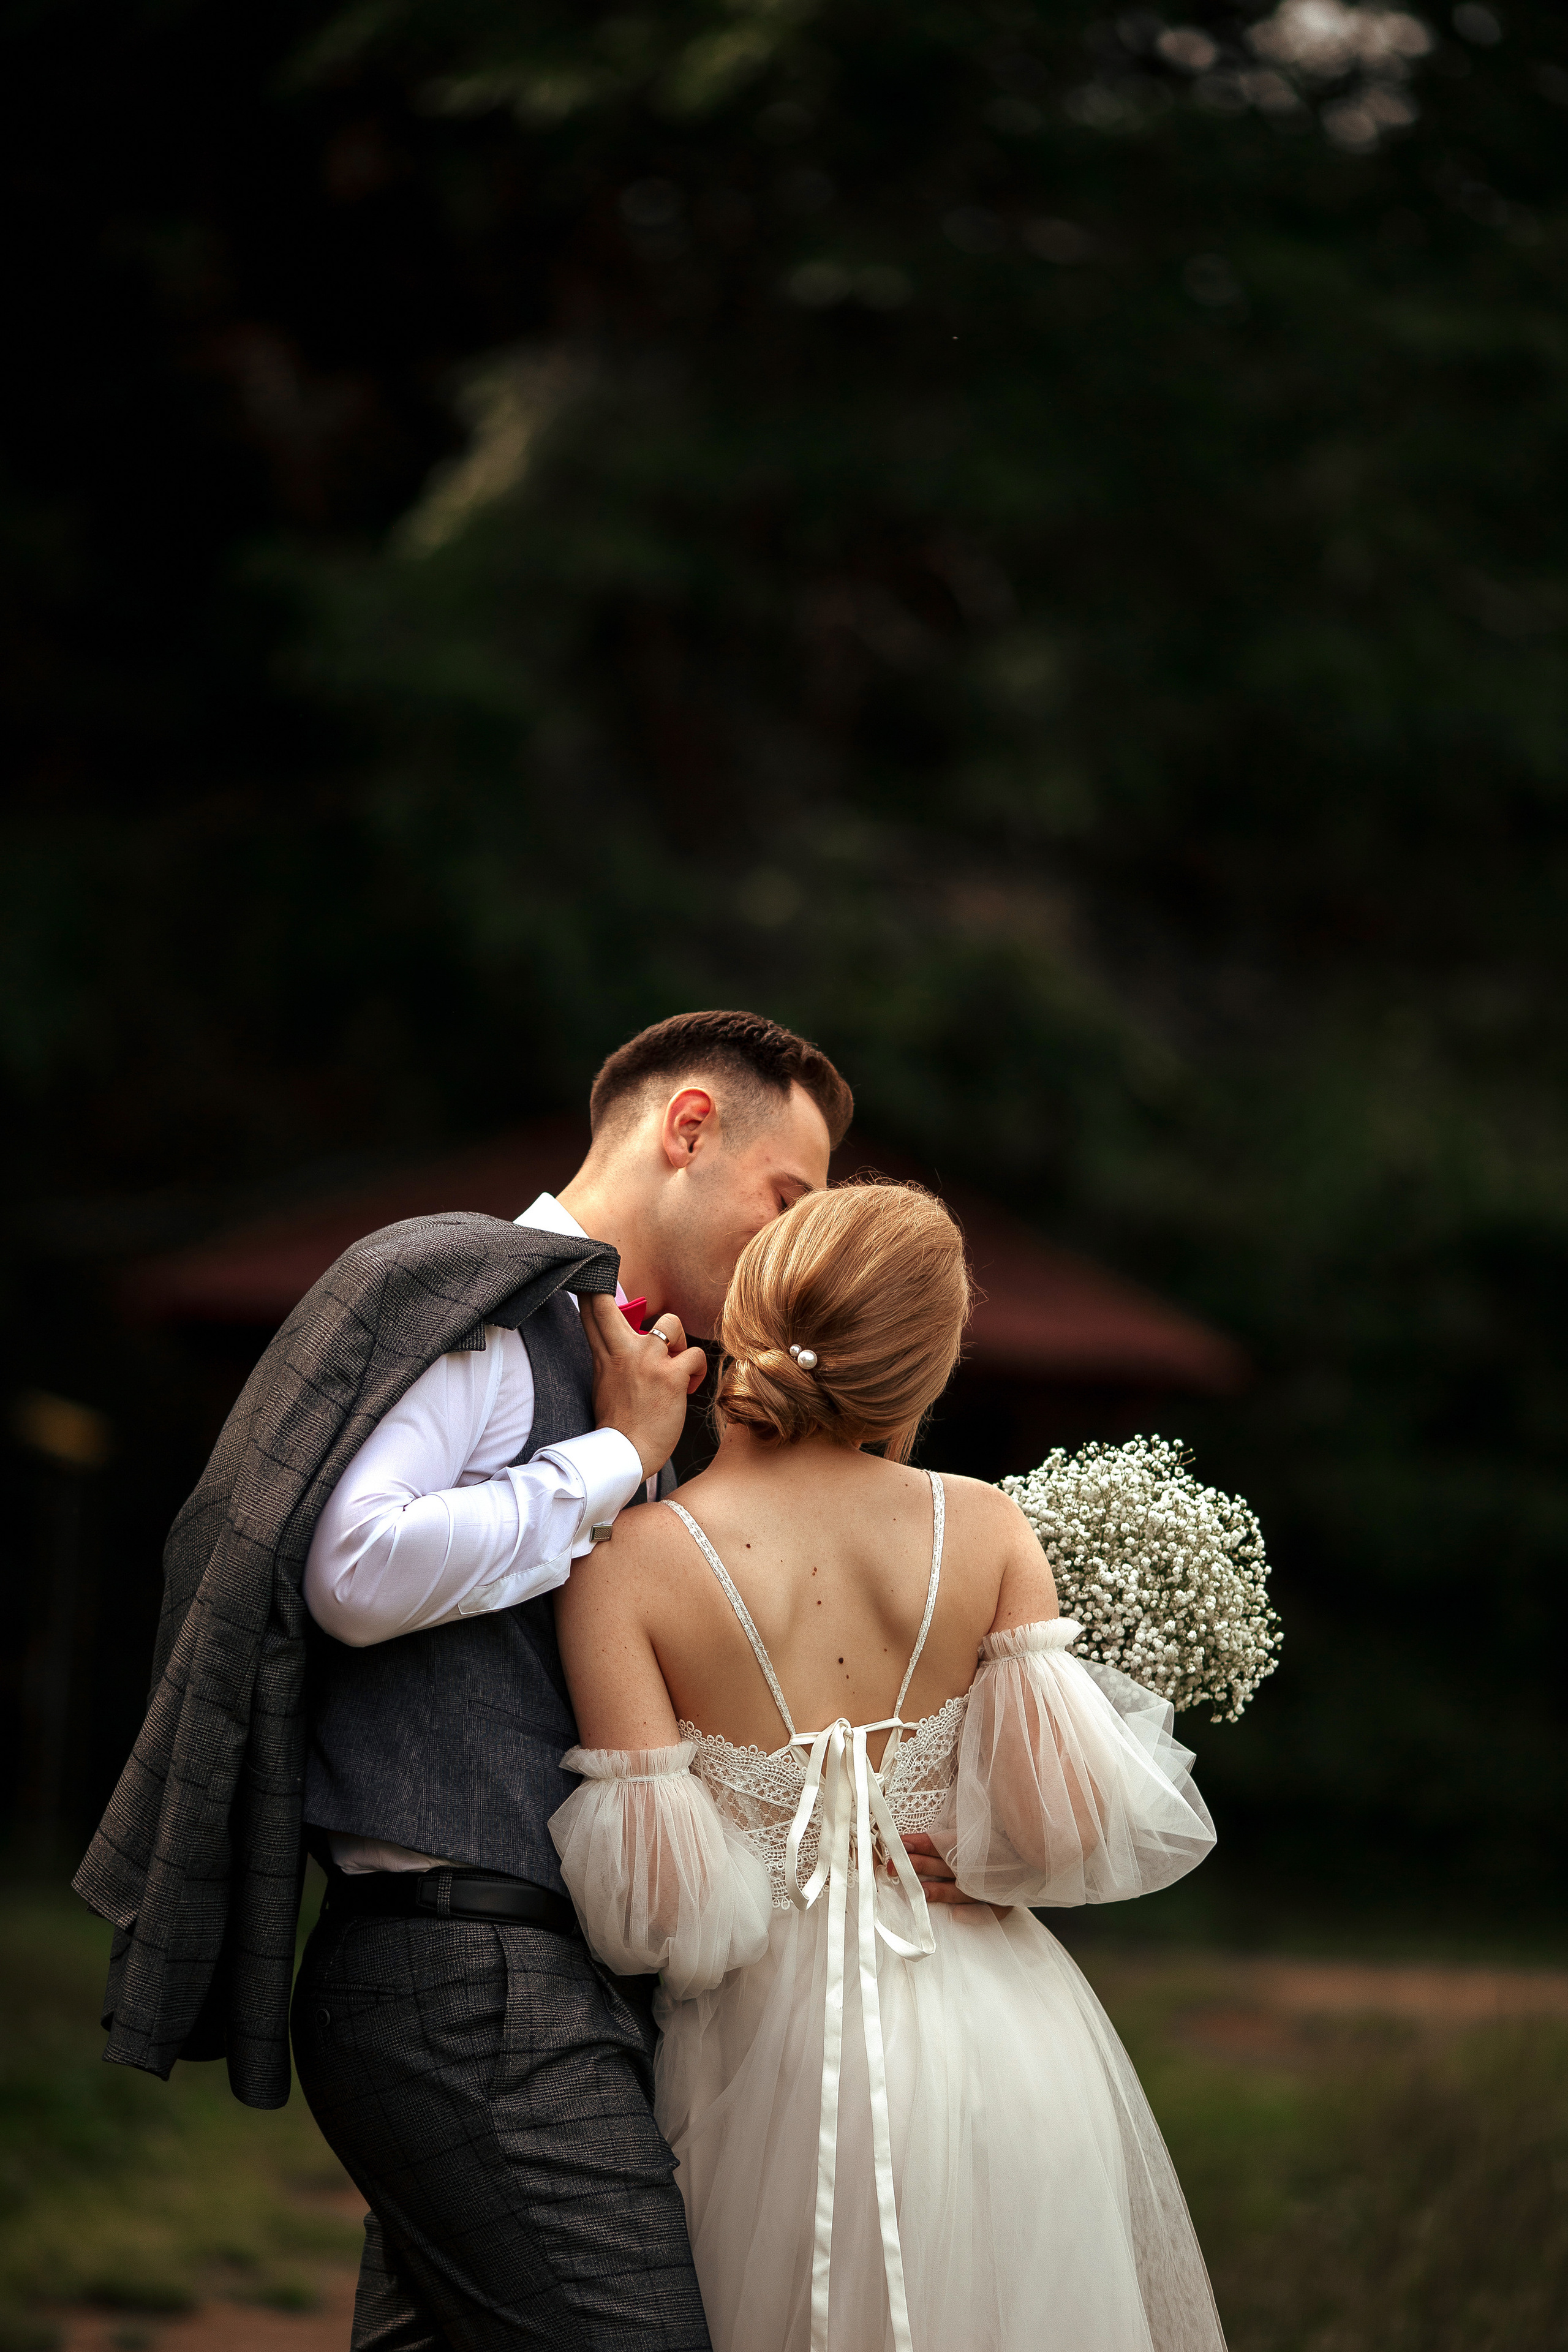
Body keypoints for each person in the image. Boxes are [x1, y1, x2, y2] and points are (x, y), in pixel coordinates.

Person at [549, 1180, 1226, 2352]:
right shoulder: (988, 1528)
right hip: (1002, 2043)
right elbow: (1064, 1828)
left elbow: (657, 1916)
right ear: (927, 1371)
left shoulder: (626, 1563)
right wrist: (979, 1855)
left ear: (740, 1324)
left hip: (767, 2063)